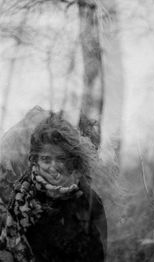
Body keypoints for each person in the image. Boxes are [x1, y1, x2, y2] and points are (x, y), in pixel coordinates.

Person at [0, 112, 107, 262]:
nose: (53, 167)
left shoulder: (88, 200)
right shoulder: (21, 196)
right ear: (35, 160)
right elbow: (8, 245)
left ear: (71, 160)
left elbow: (98, 254)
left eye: (60, 159)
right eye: (46, 159)